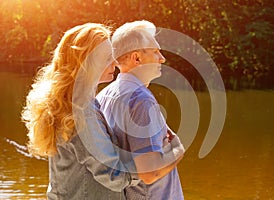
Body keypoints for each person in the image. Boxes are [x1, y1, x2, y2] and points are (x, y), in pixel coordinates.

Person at [21, 23, 137, 199]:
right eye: (106, 58)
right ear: (85, 63)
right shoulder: (81, 112)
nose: (114, 62)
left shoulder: (67, 104)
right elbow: (113, 176)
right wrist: (153, 164)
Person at [96, 20, 185, 200]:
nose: (162, 58)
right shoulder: (141, 101)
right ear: (137, 58)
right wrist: (177, 150)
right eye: (155, 51)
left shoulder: (103, 96)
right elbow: (149, 173)